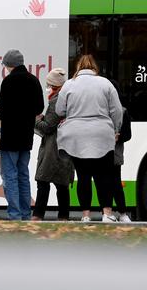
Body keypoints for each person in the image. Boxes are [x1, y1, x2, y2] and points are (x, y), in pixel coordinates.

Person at [56, 55, 122, 222]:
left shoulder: (69, 84)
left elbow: (59, 110)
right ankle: (106, 213)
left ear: (79, 67)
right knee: (103, 176)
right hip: (102, 135)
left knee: (83, 176)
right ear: (95, 68)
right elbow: (117, 111)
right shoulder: (105, 83)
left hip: (76, 137)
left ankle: (85, 215)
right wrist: (116, 129)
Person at [0, 49, 44, 221]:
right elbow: (39, 108)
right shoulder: (34, 80)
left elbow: (2, 111)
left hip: (10, 137)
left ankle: (14, 214)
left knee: (10, 175)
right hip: (26, 136)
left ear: (9, 65)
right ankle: (25, 214)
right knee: (23, 175)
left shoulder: (8, 82)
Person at [31, 68, 74, 221]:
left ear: (56, 86)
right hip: (64, 147)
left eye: (50, 85)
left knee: (43, 182)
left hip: (52, 149)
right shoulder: (68, 98)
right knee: (61, 184)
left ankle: (37, 216)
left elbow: (48, 127)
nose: (48, 88)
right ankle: (63, 217)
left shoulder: (57, 101)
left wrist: (36, 119)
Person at [110, 80, 132, 223]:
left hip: (114, 155)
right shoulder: (101, 110)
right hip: (102, 153)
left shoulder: (123, 111)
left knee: (116, 183)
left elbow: (128, 135)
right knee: (105, 183)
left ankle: (122, 212)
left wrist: (118, 137)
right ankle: (108, 212)